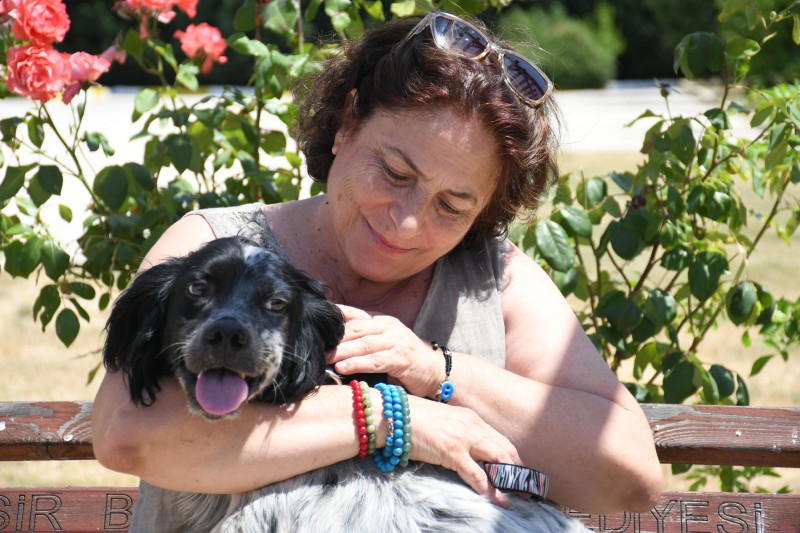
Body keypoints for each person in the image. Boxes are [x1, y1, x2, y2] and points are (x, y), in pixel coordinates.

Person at [92, 10, 663, 529]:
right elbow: (129, 437)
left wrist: (436, 370)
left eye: (452, 206)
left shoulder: (496, 280)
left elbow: (630, 477)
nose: (407, 223)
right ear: (347, 122)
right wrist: (398, 419)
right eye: (394, 173)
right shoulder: (212, 246)